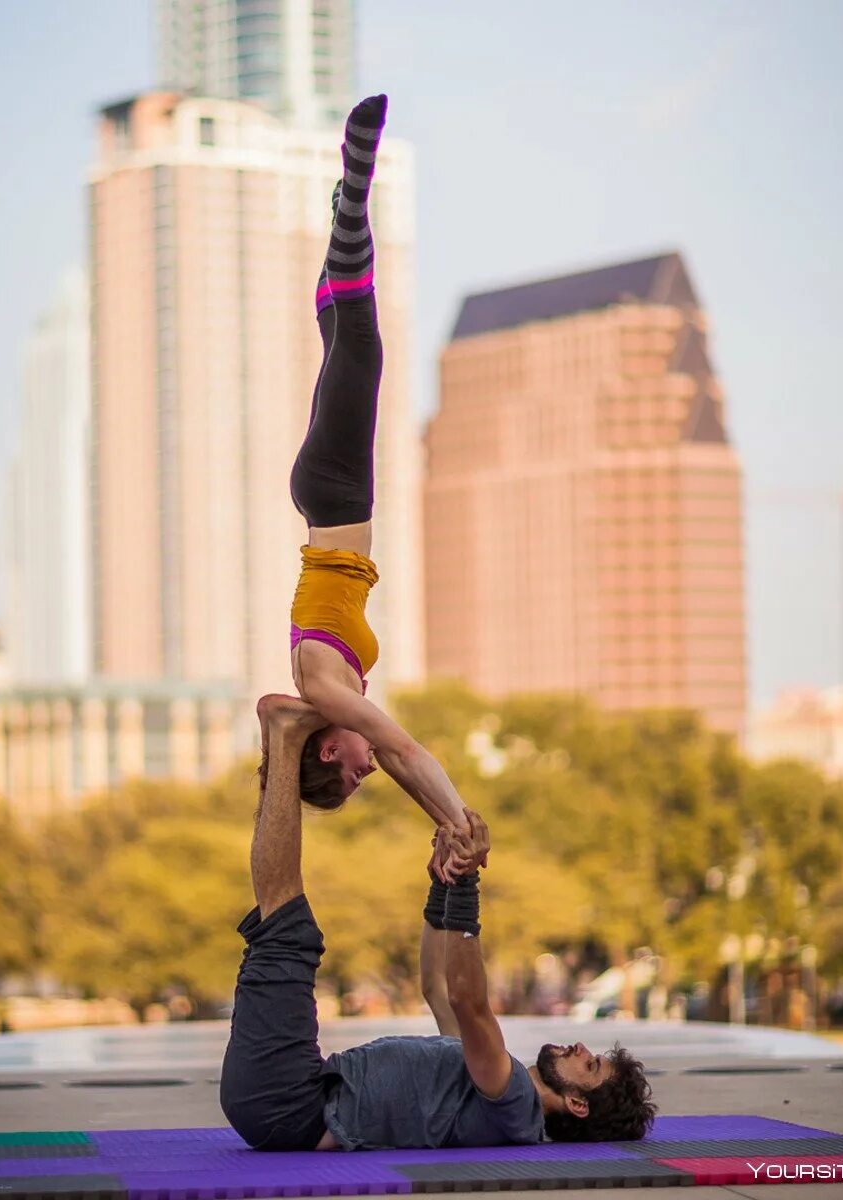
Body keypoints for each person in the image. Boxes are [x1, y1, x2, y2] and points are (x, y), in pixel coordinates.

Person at [220, 695, 657, 1152]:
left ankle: (285, 738)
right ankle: (283, 738)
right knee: (285, 932)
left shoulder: (512, 1103)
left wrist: (467, 883)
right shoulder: (482, 1077)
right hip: (294, 1098)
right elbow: (435, 985)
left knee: (288, 934)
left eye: (591, 1067)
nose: (582, 1050)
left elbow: (468, 1001)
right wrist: (443, 883)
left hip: (292, 1107)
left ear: (576, 1104)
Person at [282, 92, 469, 870]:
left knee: (360, 346)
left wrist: (454, 819)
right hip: (331, 501)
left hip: (333, 499)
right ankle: (342, 221)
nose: (363, 774)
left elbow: (396, 749)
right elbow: (386, 748)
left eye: (348, 779)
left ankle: (354, 192)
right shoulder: (328, 688)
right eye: (362, 781)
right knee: (348, 345)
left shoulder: (327, 694)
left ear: (327, 752)